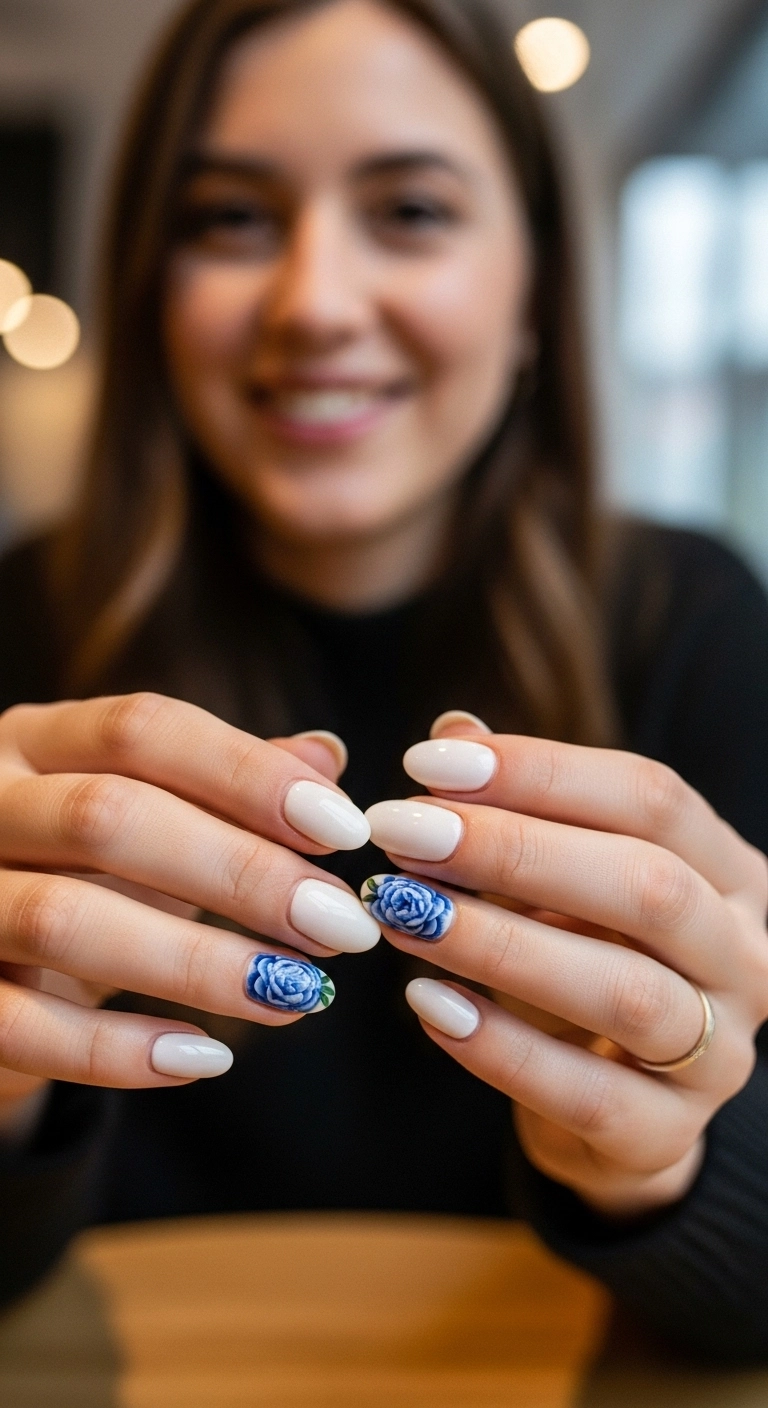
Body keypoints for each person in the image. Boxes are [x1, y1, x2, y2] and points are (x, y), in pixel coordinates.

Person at [0, 0, 767, 1363]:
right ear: (147, 283)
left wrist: (662, 1162)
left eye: (409, 210)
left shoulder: (695, 623)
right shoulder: (21, 641)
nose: (314, 302)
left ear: (535, 291)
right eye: (231, 219)